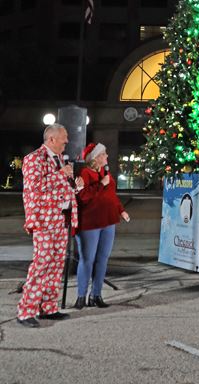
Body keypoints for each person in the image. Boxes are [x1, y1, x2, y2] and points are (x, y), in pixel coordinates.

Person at [16, 123, 83, 327]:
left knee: (56, 264)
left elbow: (60, 189)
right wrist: (61, 175)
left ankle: (49, 307)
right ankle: (26, 311)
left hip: (61, 219)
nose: (67, 141)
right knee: (42, 263)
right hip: (44, 220)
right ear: (52, 139)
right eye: (64, 137)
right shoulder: (33, 159)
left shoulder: (59, 159)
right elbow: (33, 188)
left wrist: (76, 187)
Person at [74, 142, 130, 308]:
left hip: (109, 221)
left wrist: (121, 210)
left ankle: (96, 295)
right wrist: (101, 184)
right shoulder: (85, 173)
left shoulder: (106, 173)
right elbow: (83, 196)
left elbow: (111, 196)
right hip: (90, 223)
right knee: (87, 259)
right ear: (96, 158)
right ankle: (81, 296)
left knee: (102, 260)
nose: (107, 156)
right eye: (104, 154)